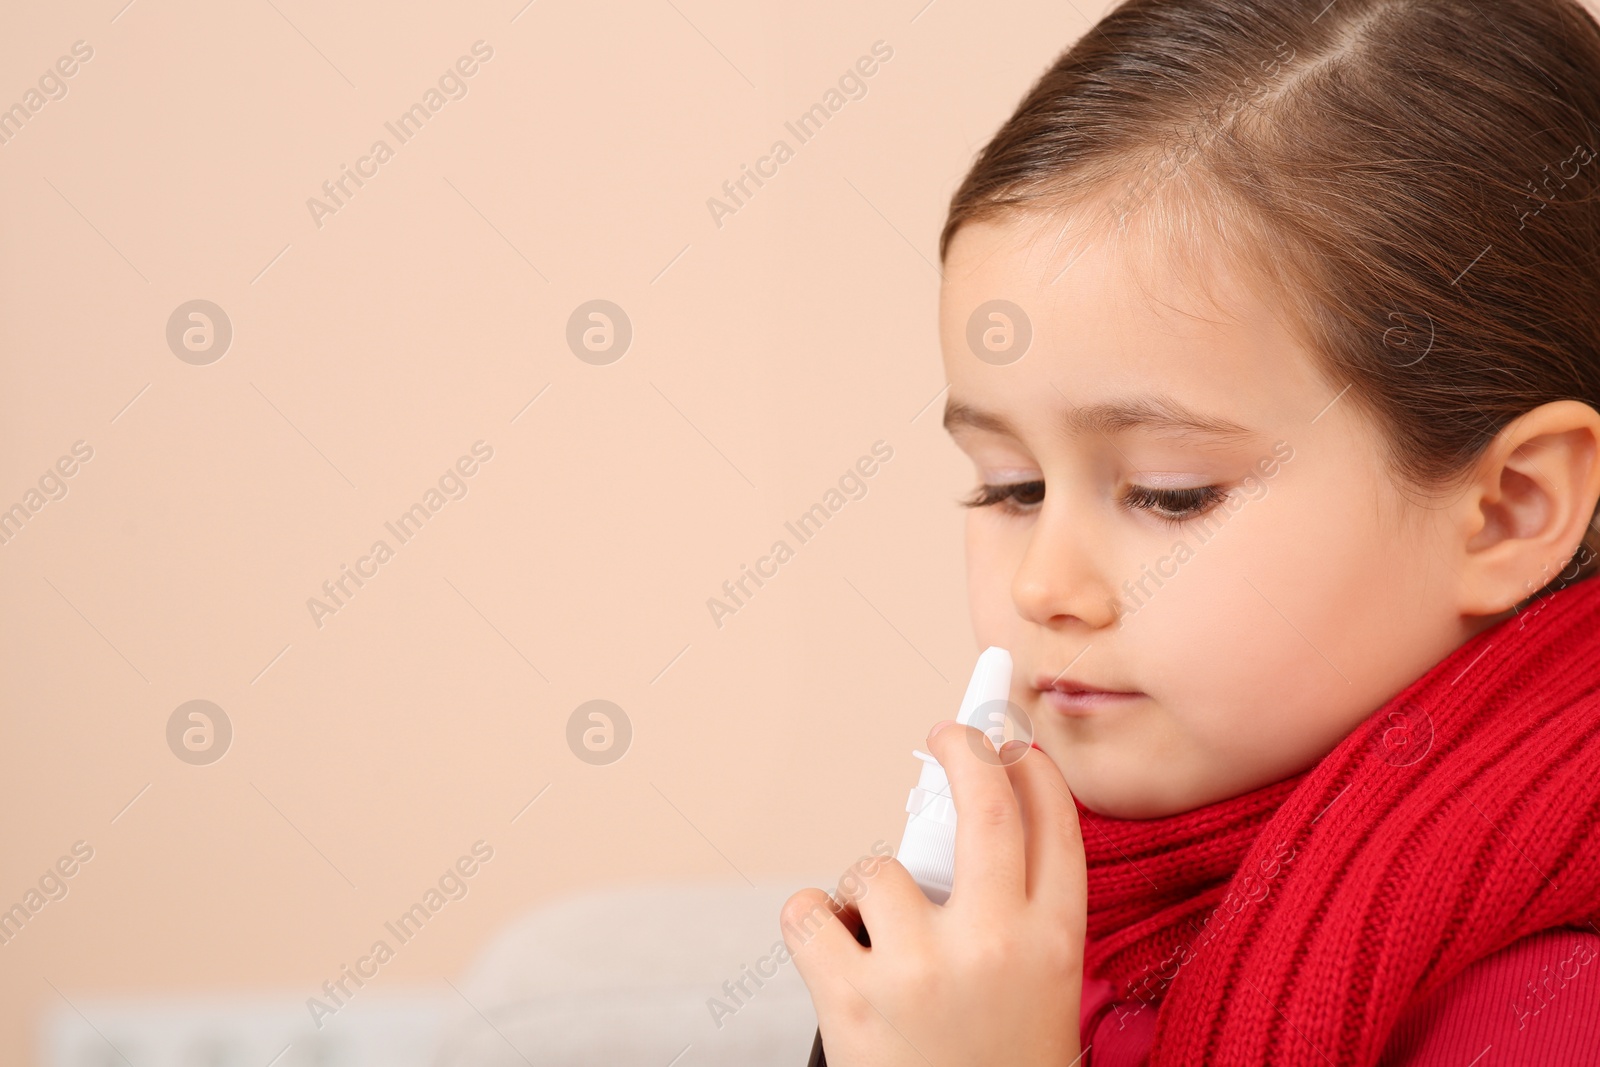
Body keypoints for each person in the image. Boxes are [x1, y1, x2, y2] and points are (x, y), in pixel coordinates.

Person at [780, 0, 1600, 1062]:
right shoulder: (1018, 943)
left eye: (1168, 494)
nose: (1044, 585)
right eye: (1012, 486)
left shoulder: (1551, 1008)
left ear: (1508, 510)